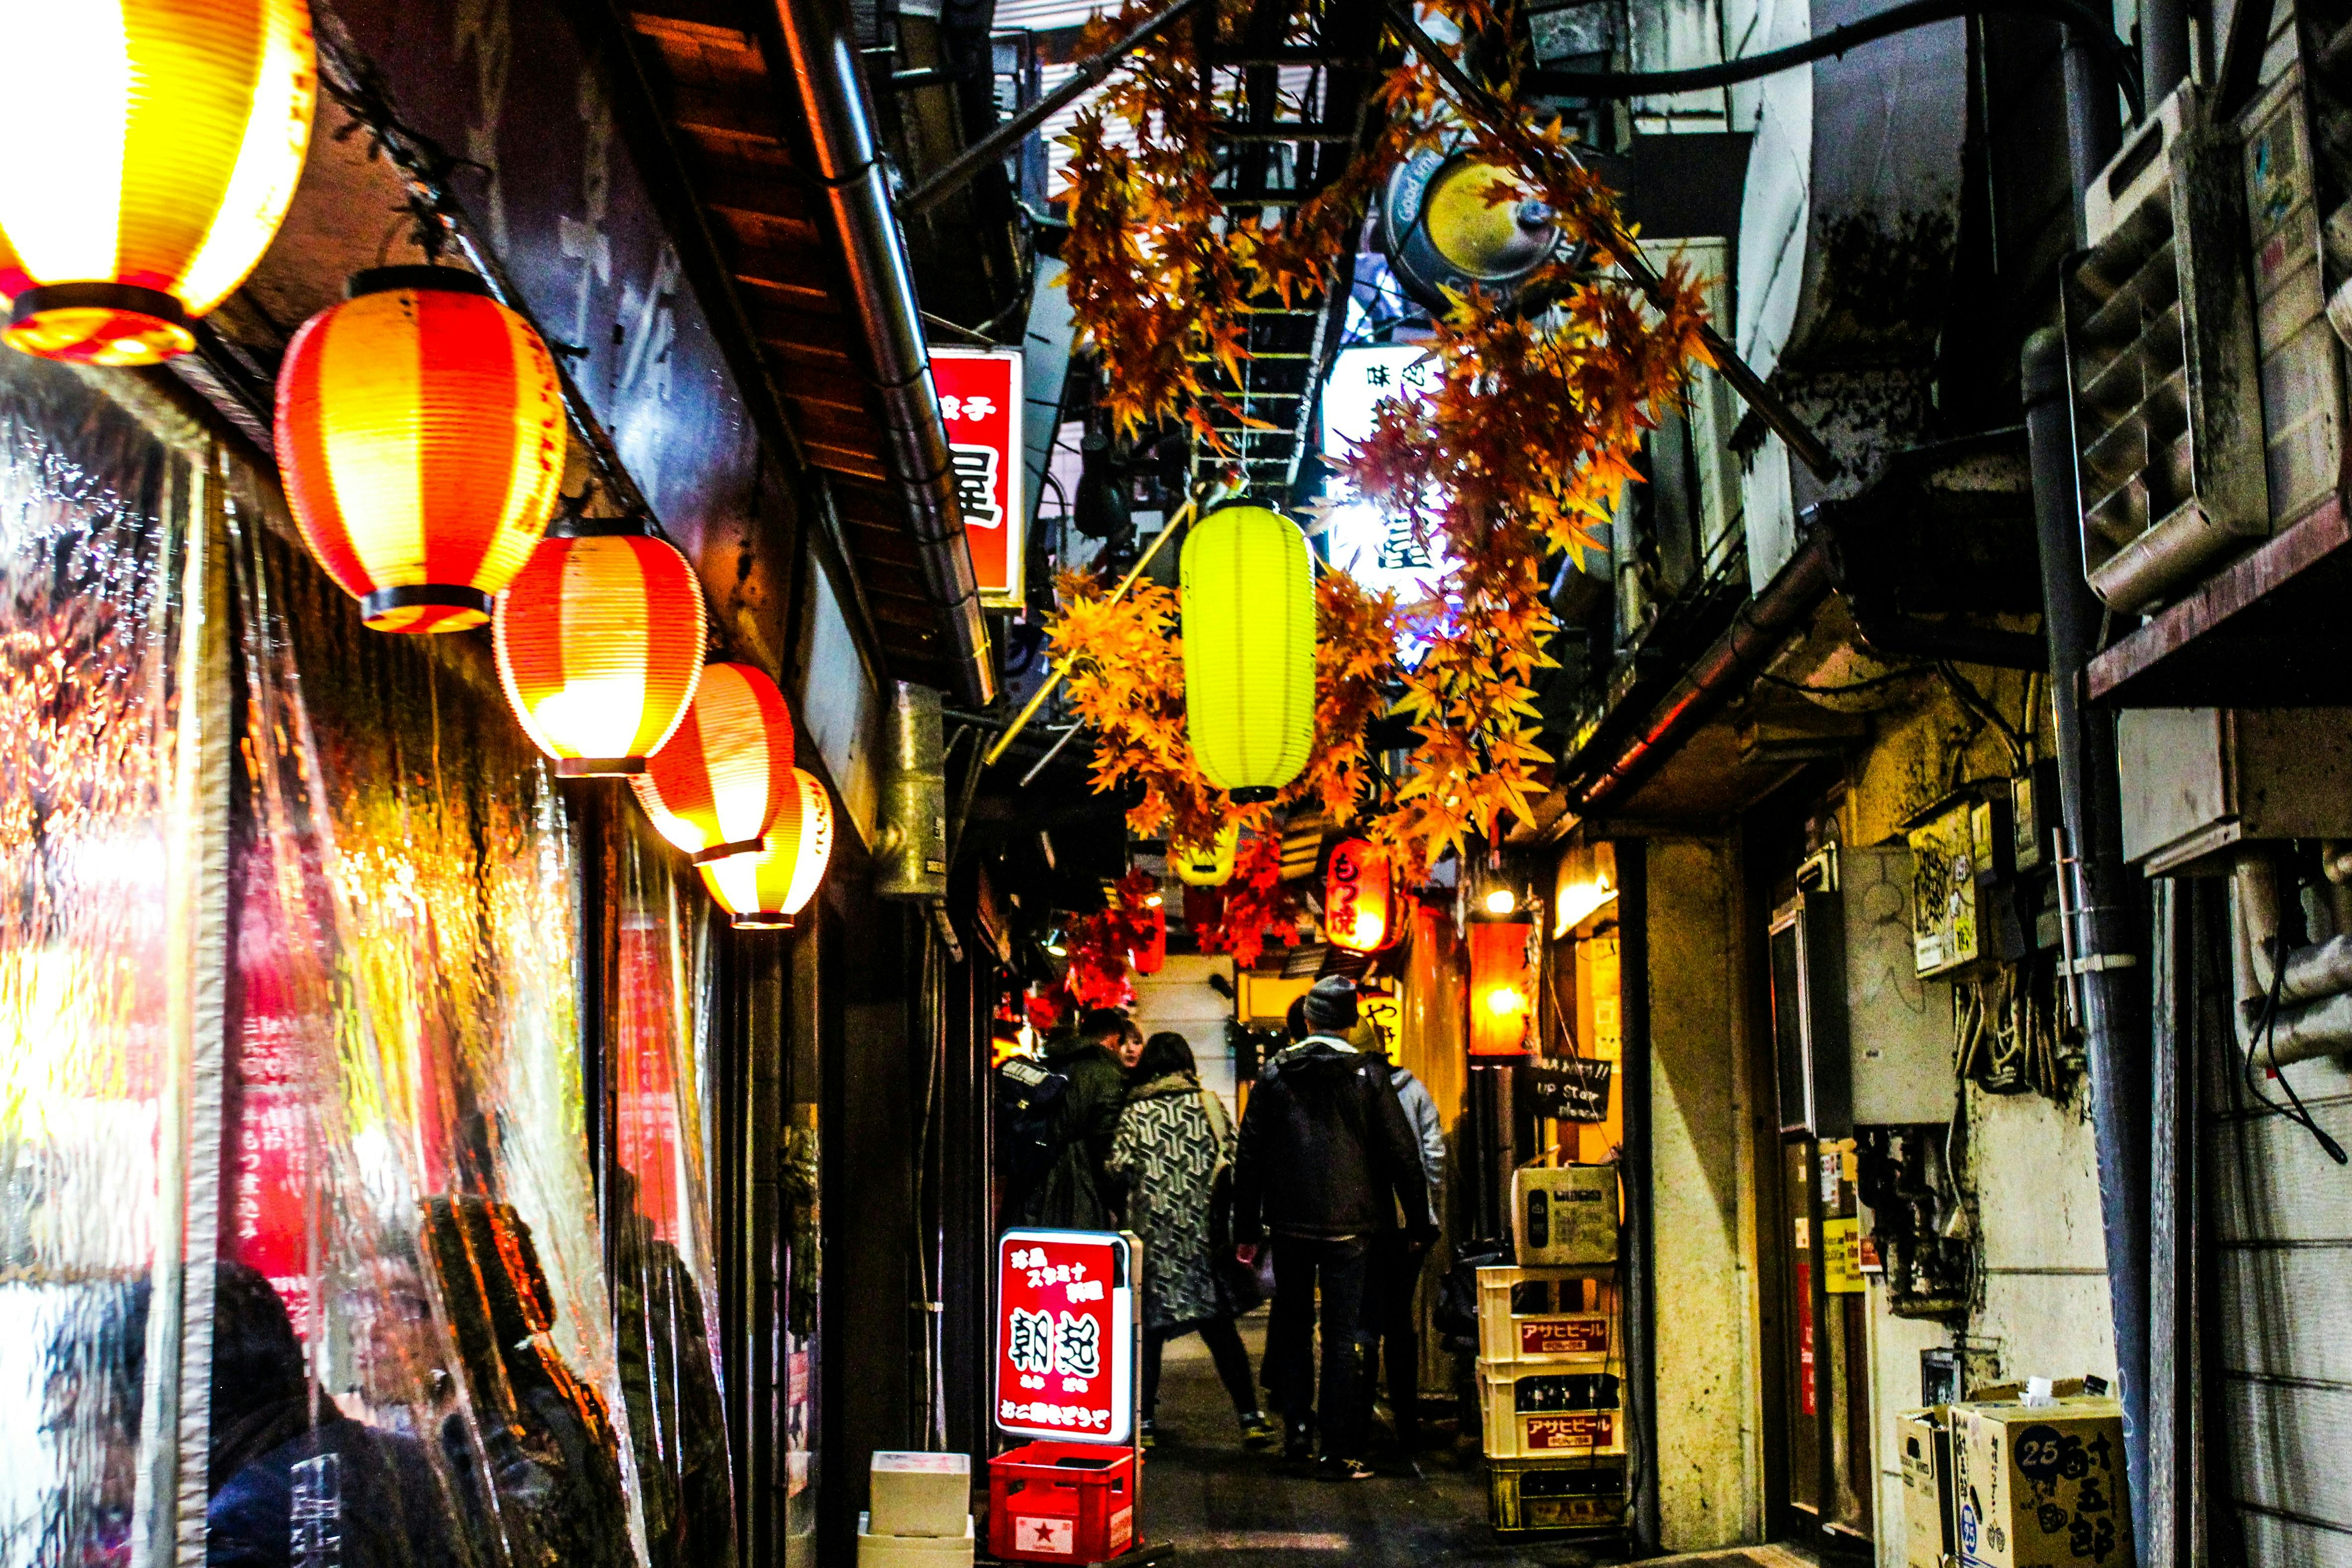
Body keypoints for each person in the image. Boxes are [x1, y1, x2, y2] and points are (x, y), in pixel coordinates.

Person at [1233, 975, 1436, 1481]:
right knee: (1343, 1336)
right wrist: (1416, 1220)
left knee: (1296, 1326)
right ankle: (1339, 1452)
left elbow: (1250, 1153)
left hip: (1291, 1225)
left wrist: (1246, 1229)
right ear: (1351, 1025)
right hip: (1355, 1227)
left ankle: (1298, 1433)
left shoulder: (1276, 1074)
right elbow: (1401, 1153)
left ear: (1307, 1020)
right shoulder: (1369, 1075)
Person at [1107, 1031, 1279, 1450]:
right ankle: (1250, 1418)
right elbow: (1237, 1163)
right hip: (1206, 1237)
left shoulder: (1133, 1112)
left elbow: (1116, 1168)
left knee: (1147, 1331)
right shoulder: (1209, 1105)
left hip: (1153, 1240)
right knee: (1219, 1329)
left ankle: (1143, 1424)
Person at [1358, 1033, 1448, 1451]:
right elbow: (1433, 1151)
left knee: (1363, 1322)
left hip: (1359, 1226)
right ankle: (1407, 1421)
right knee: (1399, 1320)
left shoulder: (1347, 1090)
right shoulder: (1412, 1089)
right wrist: (1427, 1208)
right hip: (1406, 1225)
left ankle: (1359, 1421)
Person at [1020, 1007, 1134, 1229]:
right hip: (1079, 1193)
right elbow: (1106, 1146)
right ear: (1113, 1040)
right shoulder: (1106, 1074)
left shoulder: (1053, 1064)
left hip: (1032, 1186)